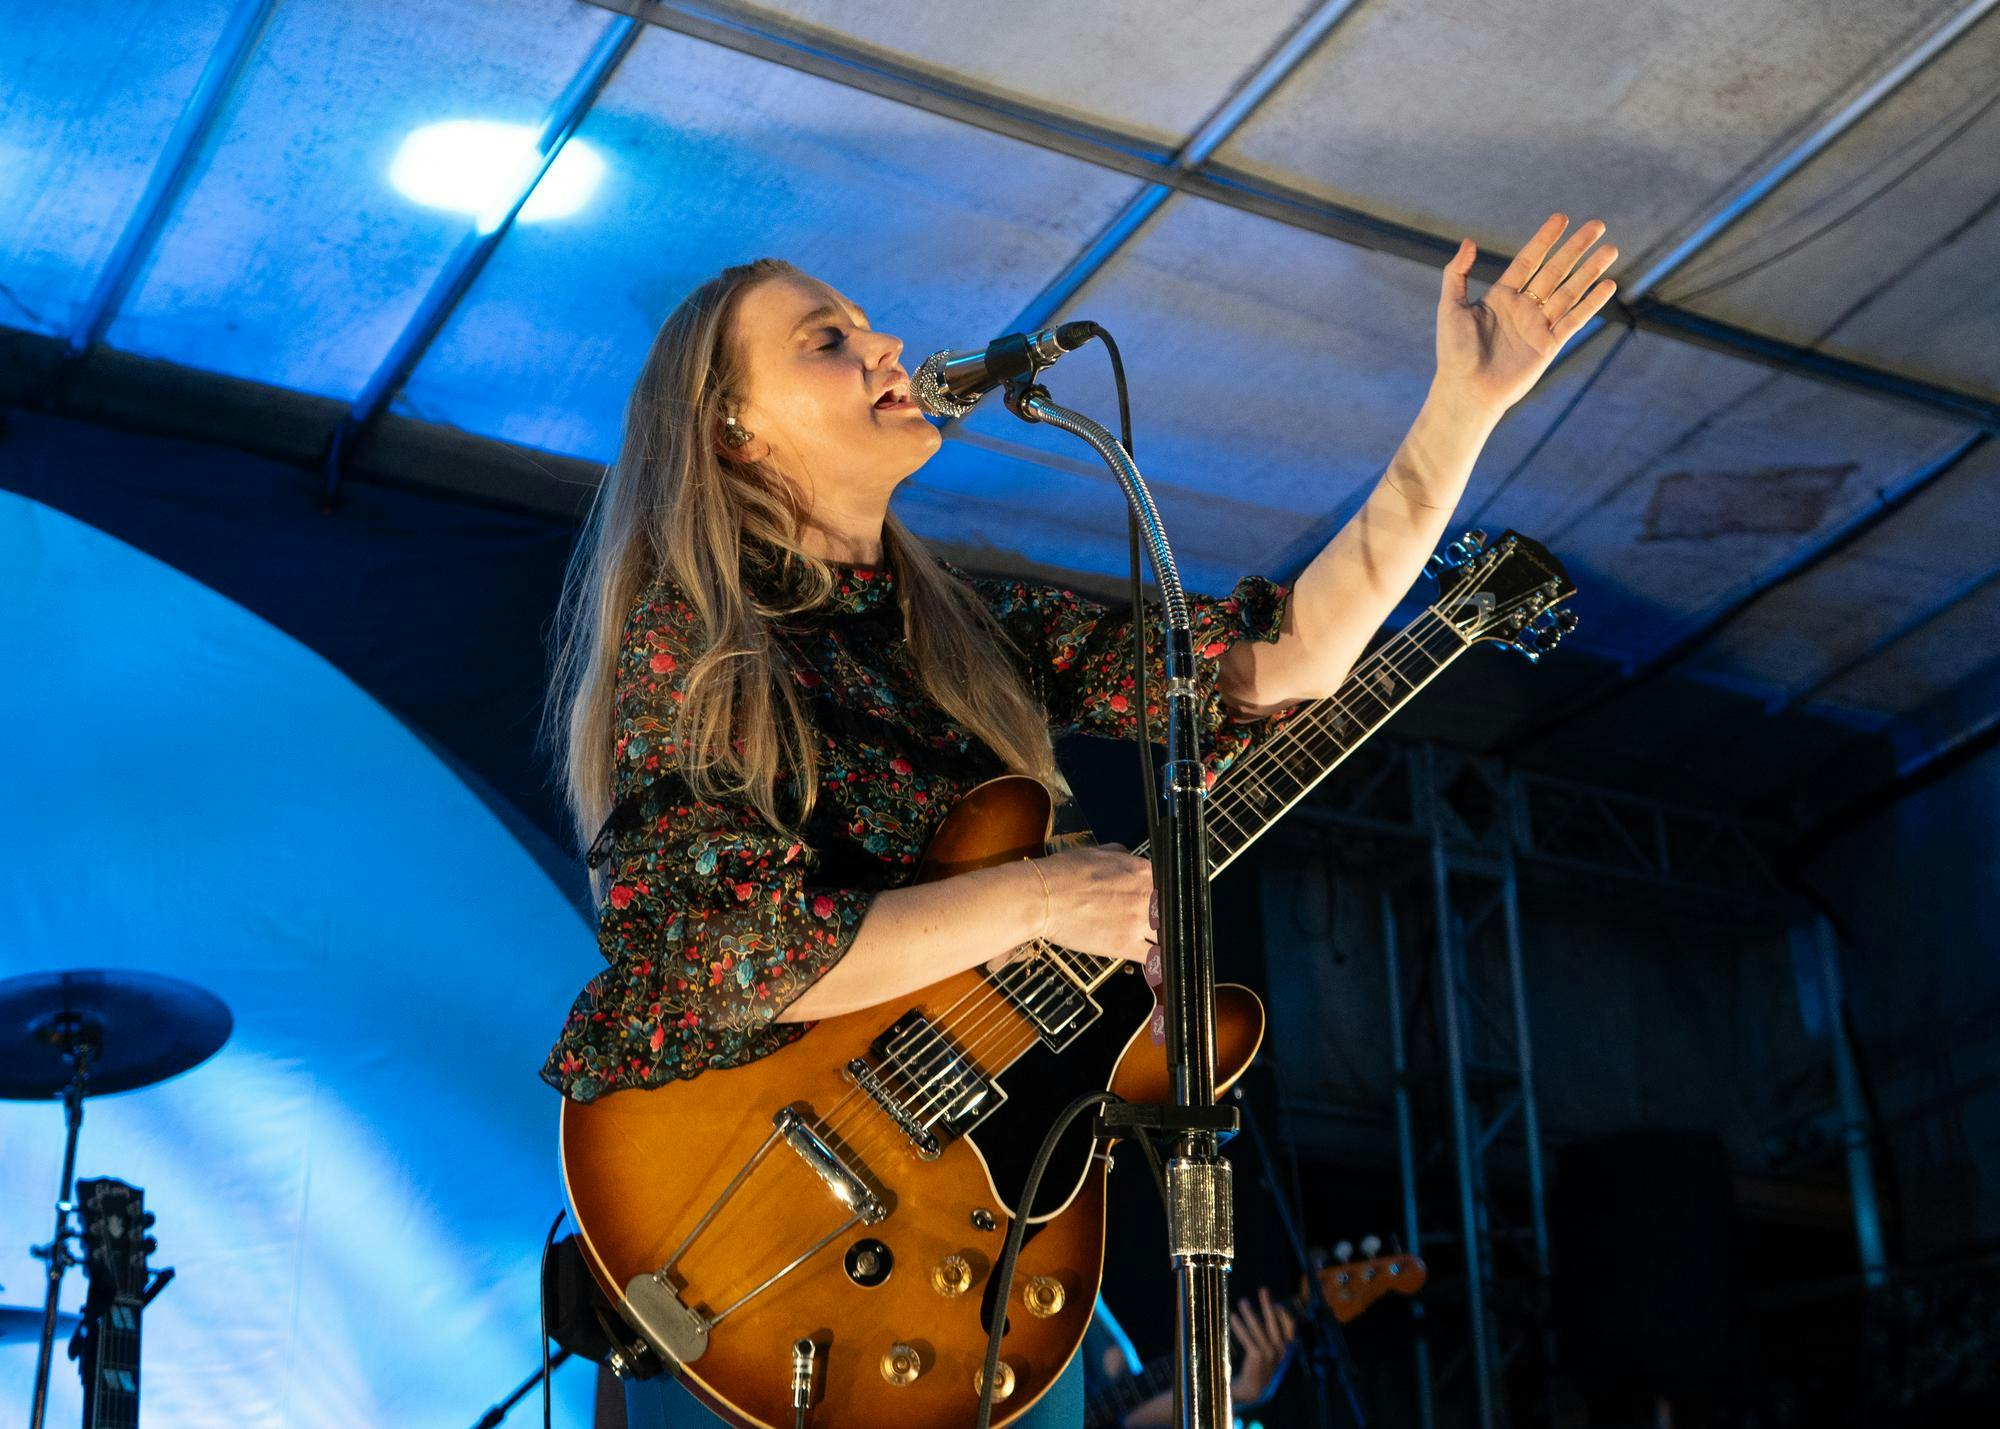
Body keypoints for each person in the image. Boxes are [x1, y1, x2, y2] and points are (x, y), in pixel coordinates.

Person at [540, 215, 1617, 1426]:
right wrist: (1047, 895)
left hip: (966, 1249)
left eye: (864, 323)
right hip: (738, 1238)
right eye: (826, 340)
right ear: (730, 429)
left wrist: (1462, 407)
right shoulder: (695, 640)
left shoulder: (969, 632)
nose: (888, 342)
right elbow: (717, 952)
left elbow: (1287, 658)